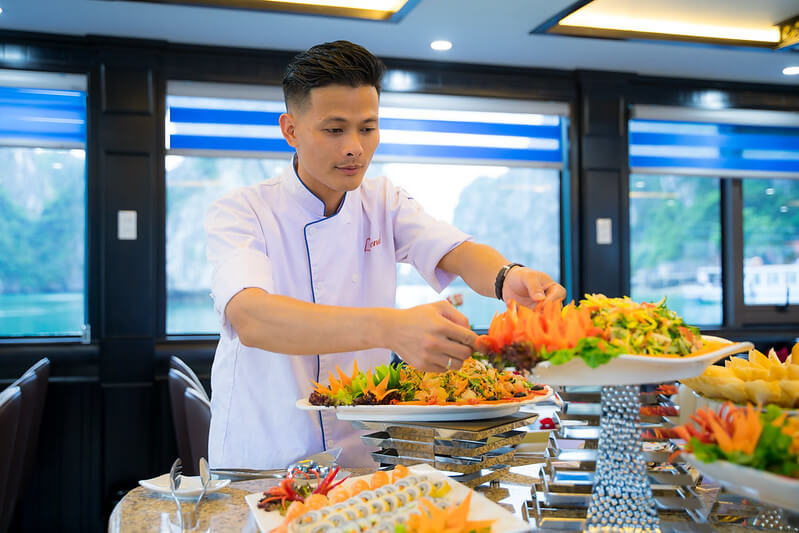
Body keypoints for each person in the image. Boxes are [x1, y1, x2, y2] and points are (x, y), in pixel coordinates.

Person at [204, 40, 565, 469]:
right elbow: (252, 319)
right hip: (262, 456)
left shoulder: (382, 201)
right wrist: (392, 328)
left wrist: (508, 277)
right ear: (291, 130)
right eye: (335, 130)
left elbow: (456, 250)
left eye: (367, 128)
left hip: (362, 454)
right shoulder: (242, 210)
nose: (355, 147)